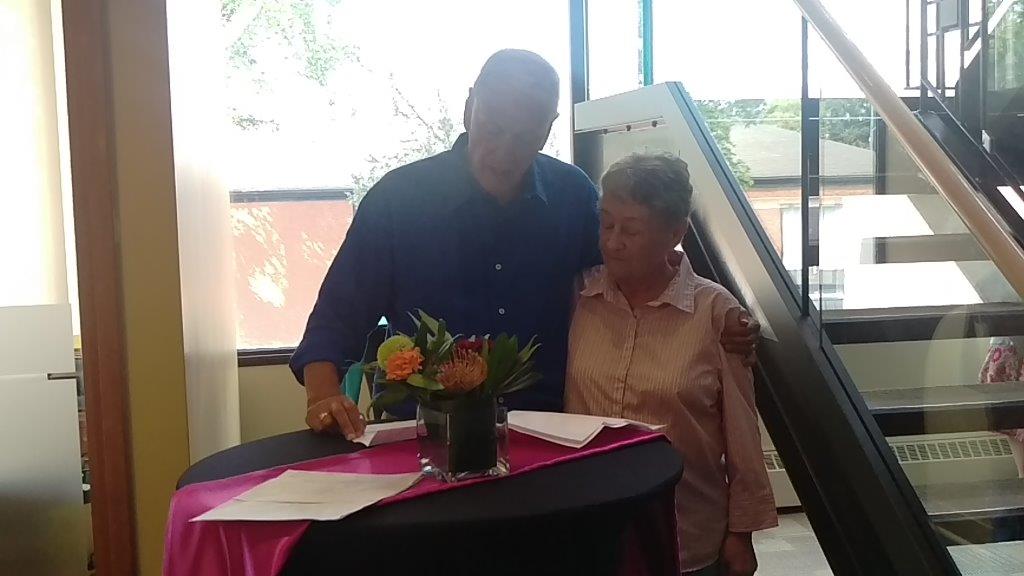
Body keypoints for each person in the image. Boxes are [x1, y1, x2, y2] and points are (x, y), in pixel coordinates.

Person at [290, 49, 760, 440]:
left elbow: (627, 282)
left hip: (550, 435)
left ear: (548, 128)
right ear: (469, 107)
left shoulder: (573, 195)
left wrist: (712, 315)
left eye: (525, 137)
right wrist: (324, 397)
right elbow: (336, 318)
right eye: (493, 129)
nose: (504, 152)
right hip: (425, 436)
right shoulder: (398, 199)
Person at [565, 153, 777, 576]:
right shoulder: (578, 296)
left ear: (676, 233)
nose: (613, 242)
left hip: (685, 533)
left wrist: (742, 532)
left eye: (631, 230)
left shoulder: (715, 313)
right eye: (606, 224)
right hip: (591, 528)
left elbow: (741, 433)